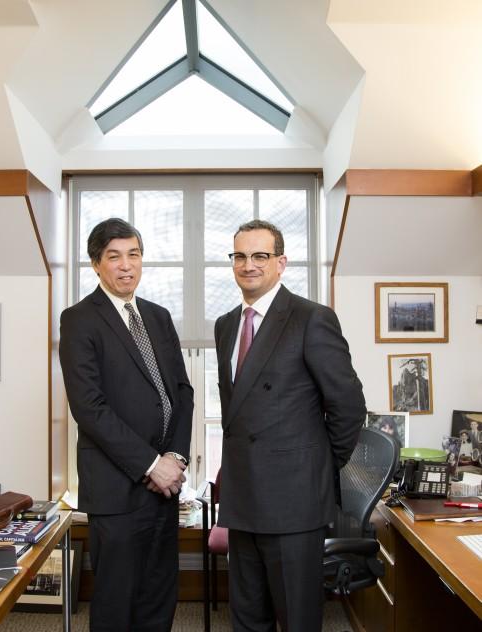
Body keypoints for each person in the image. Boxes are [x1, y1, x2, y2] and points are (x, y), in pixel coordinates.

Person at [214, 219, 366, 632]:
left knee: (296, 619)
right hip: (243, 498)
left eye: (260, 256)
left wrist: (316, 466)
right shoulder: (227, 324)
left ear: (281, 262)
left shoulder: (311, 319)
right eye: (240, 256)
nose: (249, 265)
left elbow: (349, 406)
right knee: (247, 618)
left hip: (294, 501)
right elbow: (237, 411)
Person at [59, 218, 193, 632]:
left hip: (163, 488)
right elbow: (90, 407)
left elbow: (182, 393)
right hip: (116, 489)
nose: (126, 265)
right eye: (114, 257)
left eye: (133, 255)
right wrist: (152, 464)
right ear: (96, 264)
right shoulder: (79, 319)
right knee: (117, 599)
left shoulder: (158, 315)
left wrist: (174, 456)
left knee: (158, 593)